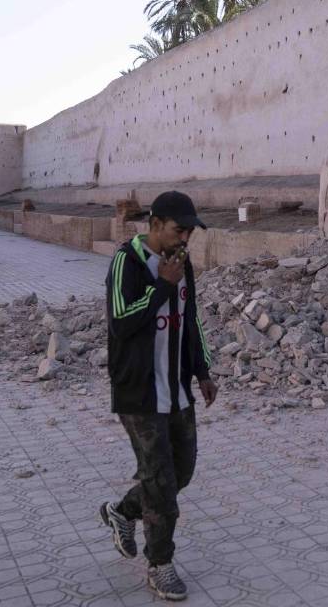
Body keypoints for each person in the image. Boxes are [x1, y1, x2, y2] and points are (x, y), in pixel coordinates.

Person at [99, 191, 217, 602]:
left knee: (180, 472)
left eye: (189, 231)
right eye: (178, 230)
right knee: (162, 485)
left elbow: (191, 322)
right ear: (155, 224)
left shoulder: (181, 265)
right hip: (140, 394)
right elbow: (120, 322)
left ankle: (122, 511)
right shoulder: (126, 262)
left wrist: (202, 370)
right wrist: (161, 288)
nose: (184, 238)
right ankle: (160, 564)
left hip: (178, 390)